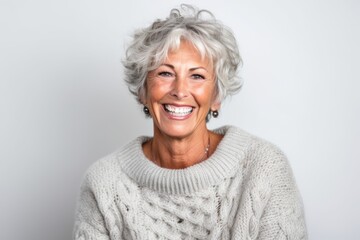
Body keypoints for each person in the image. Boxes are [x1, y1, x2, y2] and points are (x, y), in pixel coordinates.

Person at [73, 4, 307, 240]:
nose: (180, 90)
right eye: (165, 73)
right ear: (143, 90)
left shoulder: (264, 169)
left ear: (216, 97)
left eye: (197, 76)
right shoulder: (103, 183)